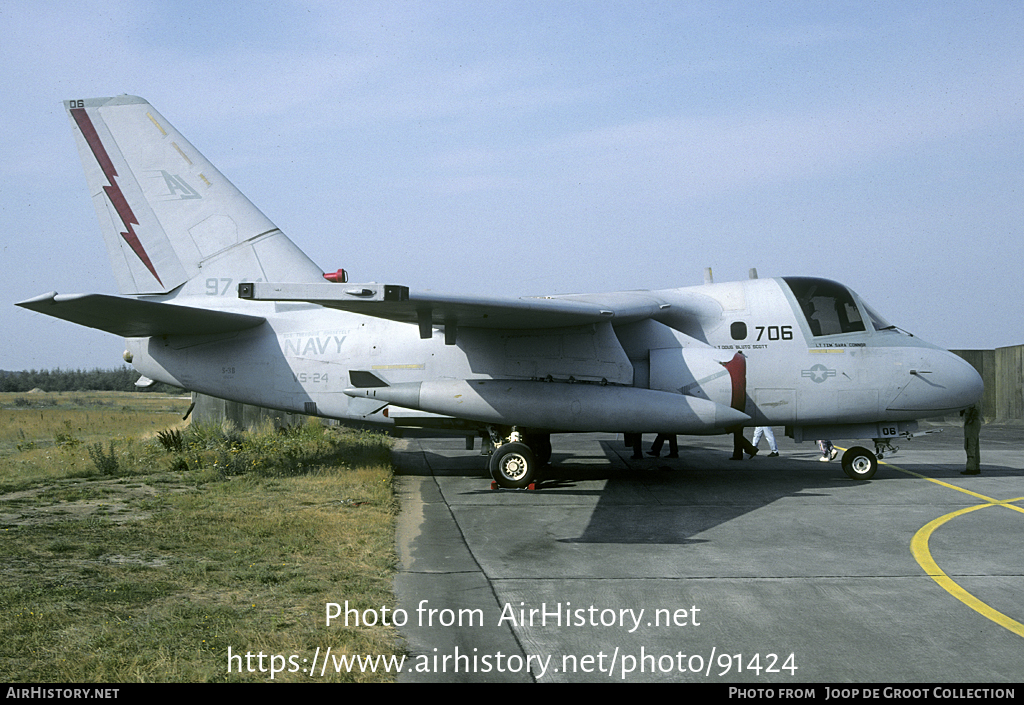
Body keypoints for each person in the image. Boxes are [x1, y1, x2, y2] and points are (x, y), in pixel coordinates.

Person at [961, 404, 980, 475]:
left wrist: (970, 419)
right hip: (973, 421)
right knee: (974, 444)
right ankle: (976, 466)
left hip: (971, 422)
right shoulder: (975, 398)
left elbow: (975, 411)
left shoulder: (973, 399)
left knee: (969, 444)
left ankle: (971, 467)